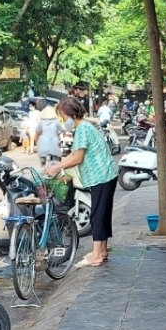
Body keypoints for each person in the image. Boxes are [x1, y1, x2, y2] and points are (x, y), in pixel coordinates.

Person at [45, 97, 118, 267]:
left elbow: (77, 157)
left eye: (63, 116)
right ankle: (102, 250)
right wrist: (60, 165)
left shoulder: (83, 129)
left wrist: (57, 168)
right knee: (103, 213)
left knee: (97, 215)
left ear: (71, 114)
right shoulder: (83, 128)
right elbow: (74, 154)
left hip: (101, 175)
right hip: (105, 174)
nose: (63, 121)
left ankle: (97, 255)